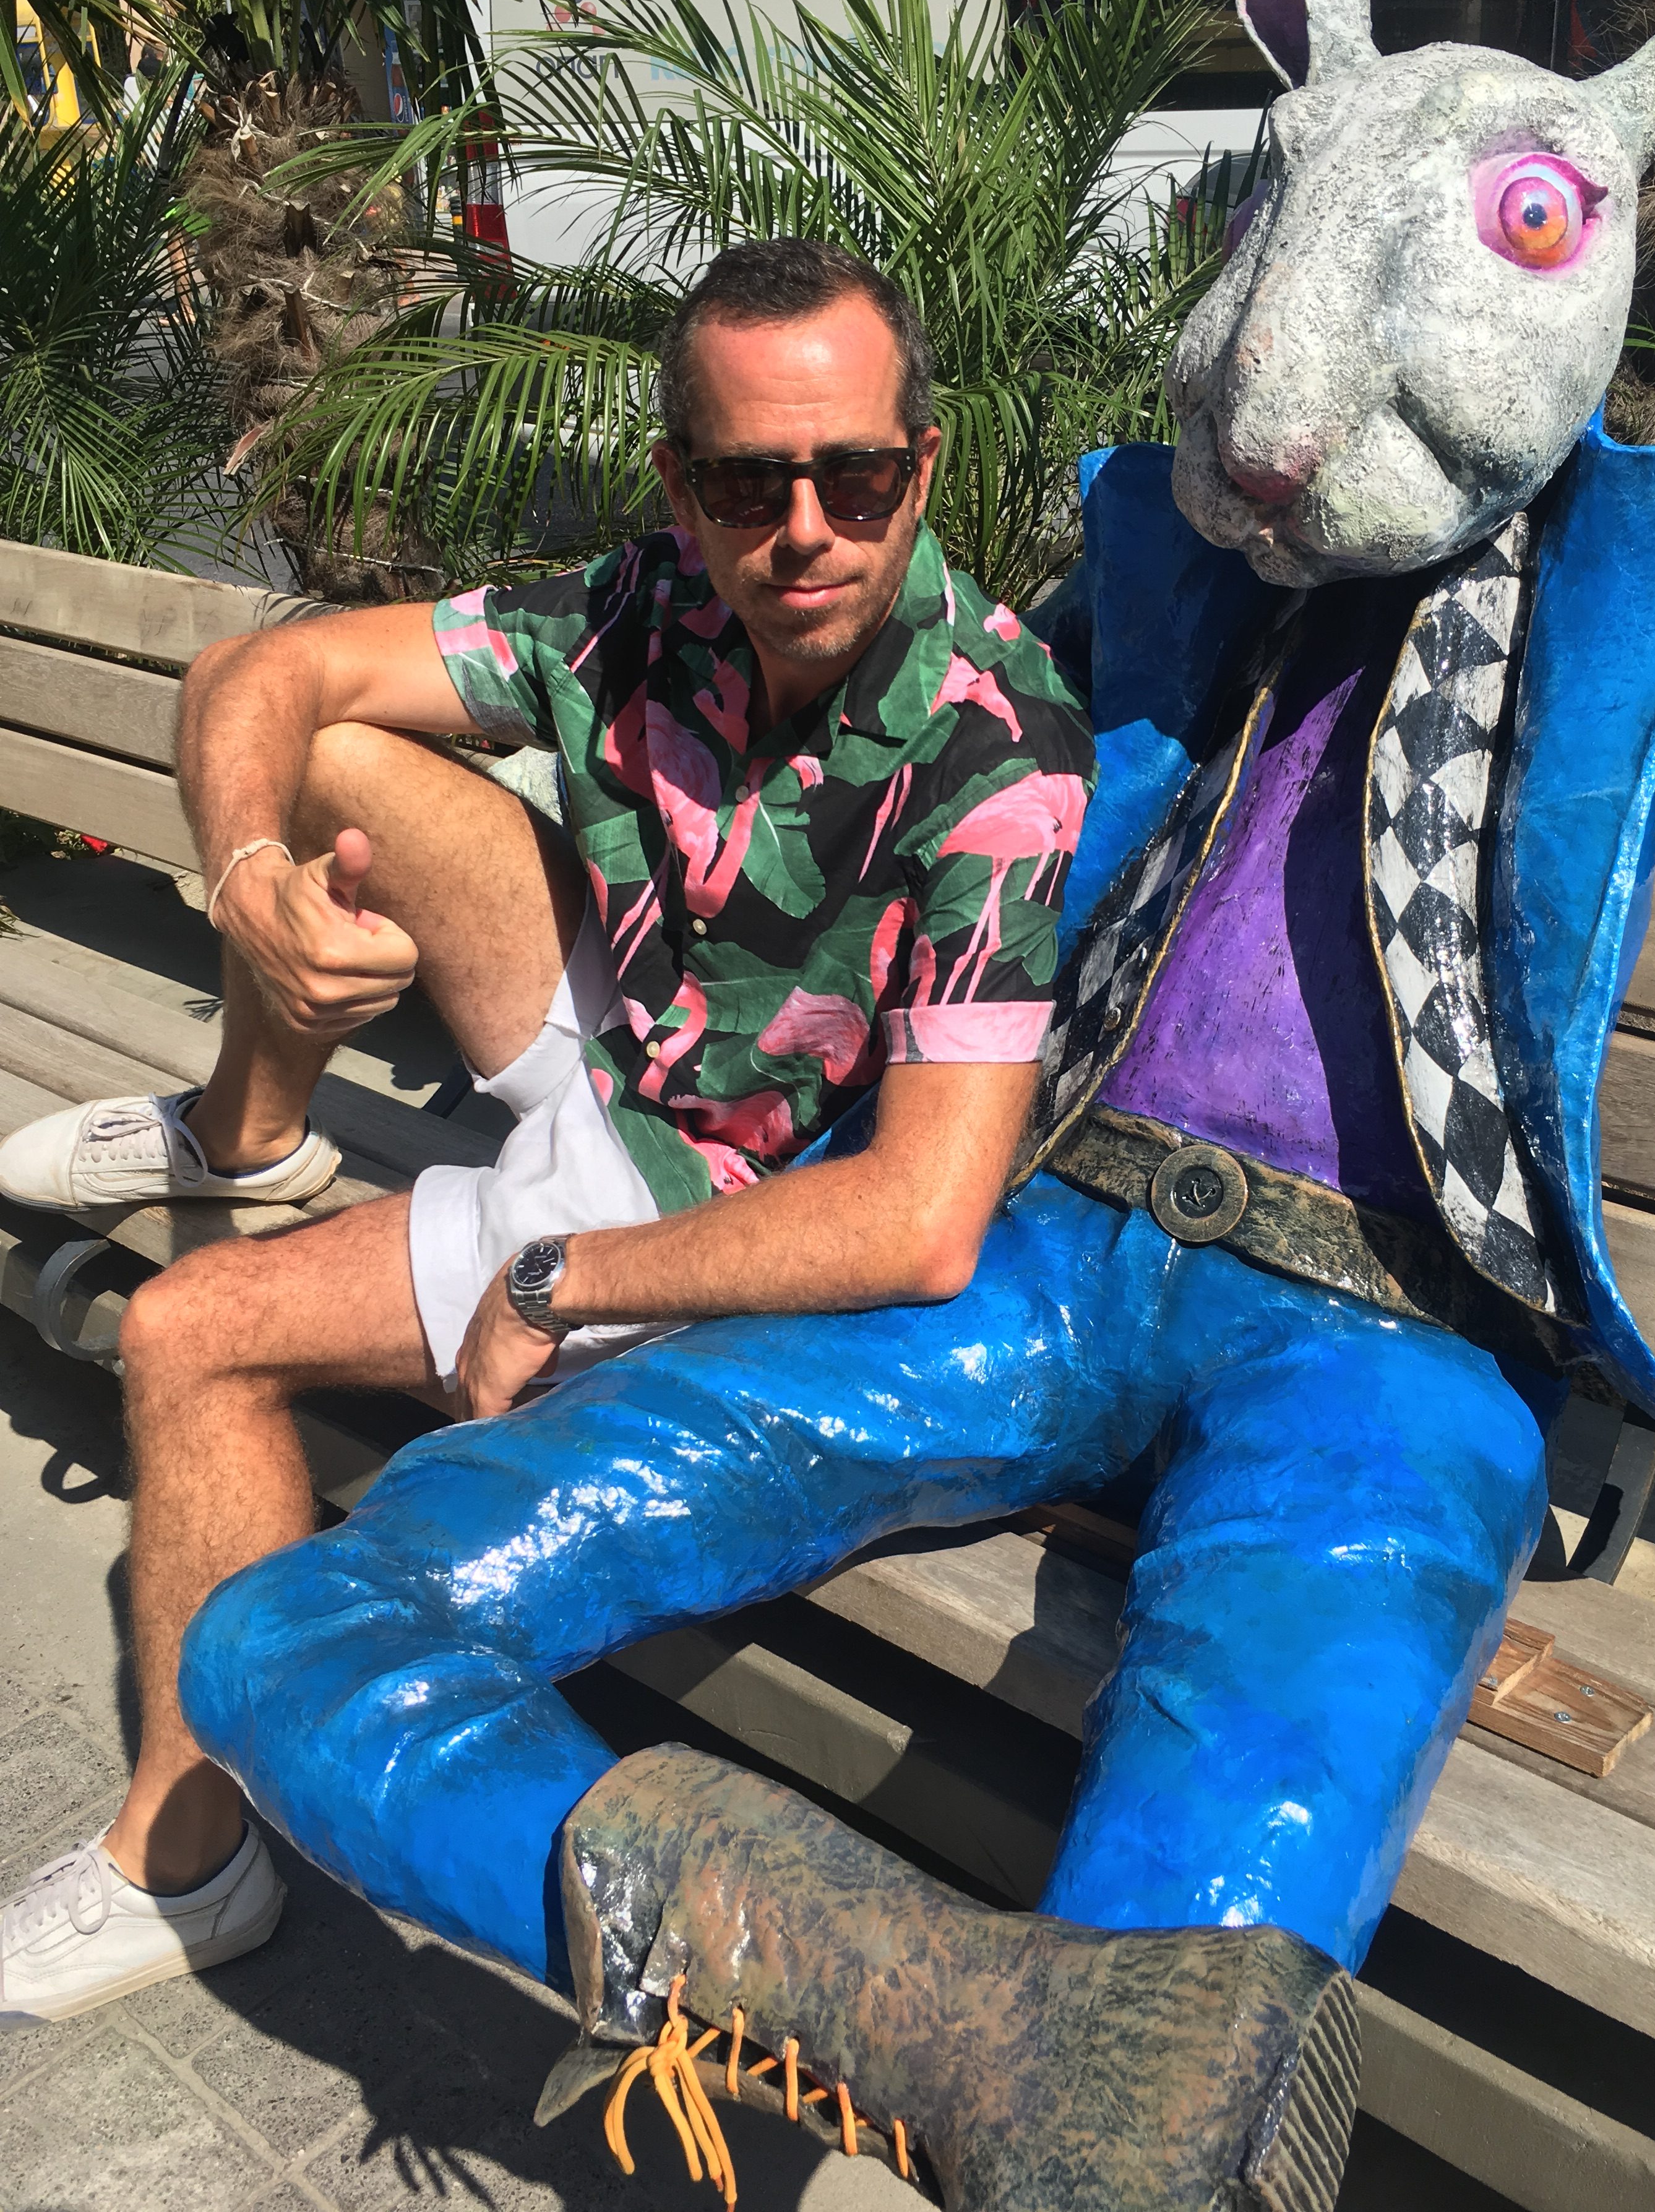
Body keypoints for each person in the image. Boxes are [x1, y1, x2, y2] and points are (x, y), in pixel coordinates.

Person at [0, 238, 1096, 2025]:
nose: (804, 532)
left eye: (855, 478)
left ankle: (189, 1860)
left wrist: (557, 1277)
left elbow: (919, 1218)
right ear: (679, 482)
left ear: (924, 463)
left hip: (696, 1184)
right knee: (330, 758)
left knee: (190, 1333)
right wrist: (255, 884)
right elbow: (255, 675)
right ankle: (242, 1139)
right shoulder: (646, 602)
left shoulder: (1001, 753)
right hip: (620, 1016)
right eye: (747, 483)